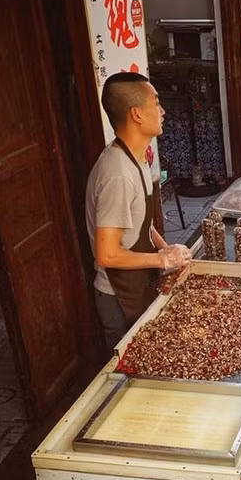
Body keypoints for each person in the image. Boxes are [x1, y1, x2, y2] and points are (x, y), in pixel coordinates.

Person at [85, 72, 191, 351]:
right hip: (119, 297)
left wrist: (168, 251)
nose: (163, 111)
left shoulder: (137, 158)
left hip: (139, 284)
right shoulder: (117, 173)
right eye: (156, 103)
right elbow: (106, 254)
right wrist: (161, 260)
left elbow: (142, 223)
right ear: (137, 114)